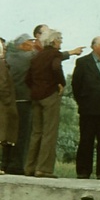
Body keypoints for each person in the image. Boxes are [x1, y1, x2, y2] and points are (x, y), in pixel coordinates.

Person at [25, 29, 84, 178]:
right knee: (49, 132)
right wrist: (61, 83)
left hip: (36, 96)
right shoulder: (54, 55)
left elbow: (27, 78)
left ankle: (30, 167)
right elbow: (56, 66)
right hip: (49, 96)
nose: (61, 43)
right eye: (60, 40)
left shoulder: (36, 57)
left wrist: (35, 88)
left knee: (36, 132)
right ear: (54, 41)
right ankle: (43, 168)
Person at [71, 37, 100, 179]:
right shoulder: (83, 62)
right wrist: (83, 101)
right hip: (88, 107)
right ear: (95, 47)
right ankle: (83, 171)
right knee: (86, 139)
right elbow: (76, 85)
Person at [2, 27, 44, 174]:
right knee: (22, 135)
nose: (32, 45)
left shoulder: (9, 56)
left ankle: (5, 164)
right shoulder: (24, 57)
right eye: (29, 43)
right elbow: (43, 55)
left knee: (8, 134)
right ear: (22, 45)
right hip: (22, 101)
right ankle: (17, 165)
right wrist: (69, 53)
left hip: (9, 102)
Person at [0, 38, 17, 173]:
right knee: (3, 136)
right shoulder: (1, 65)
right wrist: (8, 103)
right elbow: (3, 85)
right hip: (3, 106)